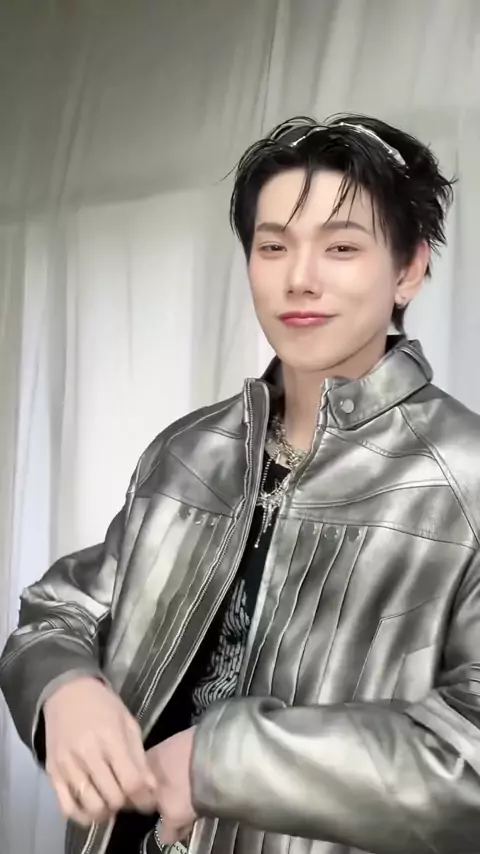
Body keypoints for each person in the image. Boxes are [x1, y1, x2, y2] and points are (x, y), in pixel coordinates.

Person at [2, 112, 480, 854]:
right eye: (272, 246)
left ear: (409, 269)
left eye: (342, 247)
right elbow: (58, 612)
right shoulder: (189, 451)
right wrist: (63, 688)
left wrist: (220, 762)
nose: (299, 278)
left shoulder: (465, 480)